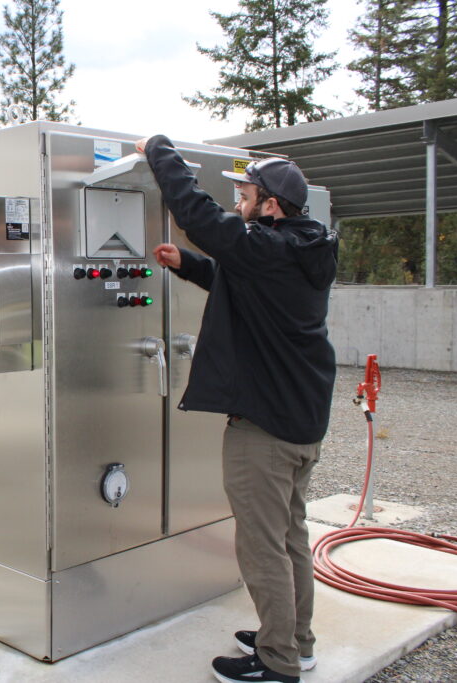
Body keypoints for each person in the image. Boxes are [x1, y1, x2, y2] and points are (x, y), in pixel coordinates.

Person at [135, 135, 338, 683]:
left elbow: (197, 214)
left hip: (265, 429)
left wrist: (158, 149)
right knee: (291, 535)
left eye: (246, 193)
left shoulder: (266, 245)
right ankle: (297, 641)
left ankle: (277, 664)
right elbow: (245, 278)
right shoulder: (299, 245)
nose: (238, 202)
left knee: (262, 546)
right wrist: (190, 266)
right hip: (301, 420)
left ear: (270, 205)